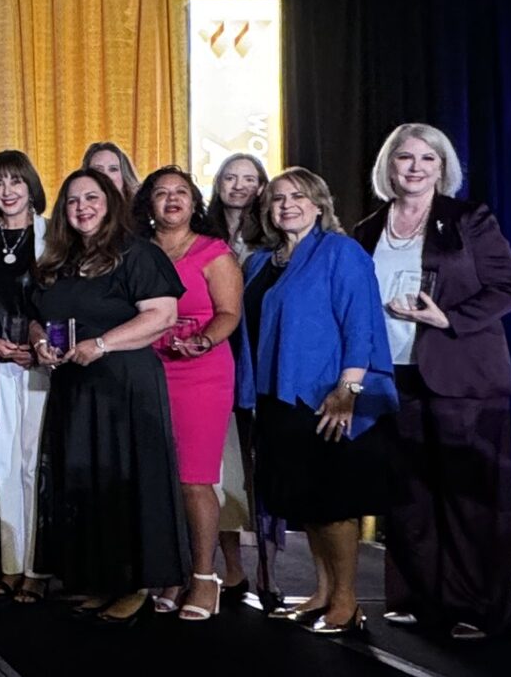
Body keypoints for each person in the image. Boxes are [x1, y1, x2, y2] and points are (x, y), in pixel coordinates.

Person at [354, 124, 511, 640]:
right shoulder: (367, 229)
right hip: (394, 376)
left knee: (469, 498)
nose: (415, 167)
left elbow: (510, 288)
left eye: (427, 159)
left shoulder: (469, 219)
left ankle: (477, 608)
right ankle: (417, 598)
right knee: (408, 494)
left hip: (463, 375)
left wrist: (447, 318)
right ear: (389, 166)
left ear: (442, 167)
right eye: (405, 158)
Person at [237, 167, 397, 634]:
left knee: (334, 501)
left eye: (298, 196)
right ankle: (323, 592)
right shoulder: (261, 262)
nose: (287, 204)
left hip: (325, 398)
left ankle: (346, 601)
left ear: (320, 204)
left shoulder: (341, 252)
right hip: (275, 399)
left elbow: (360, 324)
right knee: (305, 502)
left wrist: (347, 390)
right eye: (278, 198)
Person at [30, 169, 187, 624]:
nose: (82, 207)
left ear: (111, 203)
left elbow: (162, 314)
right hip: (76, 387)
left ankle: (137, 582)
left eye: (92, 198)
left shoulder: (136, 254)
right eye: (74, 200)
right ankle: (101, 579)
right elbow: (37, 316)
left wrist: (102, 344)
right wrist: (41, 341)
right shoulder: (58, 259)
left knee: (128, 482)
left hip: (125, 386)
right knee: (86, 483)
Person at [136, 166, 242, 620]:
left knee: (194, 479)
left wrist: (202, 340)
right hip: (149, 371)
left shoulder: (213, 252)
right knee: (159, 478)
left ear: (194, 202)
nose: (172, 200)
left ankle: (204, 576)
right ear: (149, 205)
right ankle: (172, 572)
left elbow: (228, 312)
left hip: (200, 371)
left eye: (181, 192)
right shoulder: (137, 253)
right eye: (161, 193)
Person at [0, 150, 49, 603]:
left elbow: (61, 299)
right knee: (2, 467)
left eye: (15, 182)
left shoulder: (53, 236)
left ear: (30, 186)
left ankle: (37, 568)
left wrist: (39, 347)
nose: (8, 191)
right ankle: (10, 564)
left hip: (42, 367)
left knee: (32, 465)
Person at [206, 151, 275, 606]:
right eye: (230, 177)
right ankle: (231, 569)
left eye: (248, 179)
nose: (238, 186)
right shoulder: (202, 235)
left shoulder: (273, 237)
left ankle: (269, 572)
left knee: (261, 471)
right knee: (223, 468)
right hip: (215, 358)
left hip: (262, 358)